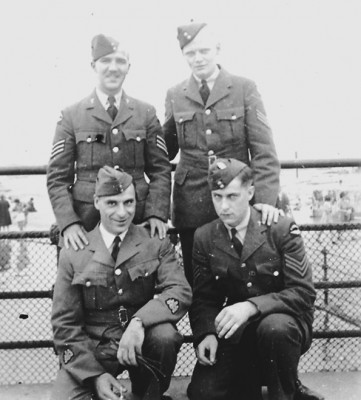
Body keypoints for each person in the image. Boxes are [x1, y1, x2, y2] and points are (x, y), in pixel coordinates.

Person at [51, 166, 192, 400]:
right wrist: (95, 377)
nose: (122, 213)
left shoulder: (154, 242)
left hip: (141, 342)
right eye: (112, 203)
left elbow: (179, 290)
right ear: (97, 202)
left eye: (129, 203)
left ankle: (149, 394)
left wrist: (139, 323)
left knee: (165, 336)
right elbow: (64, 324)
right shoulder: (74, 251)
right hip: (95, 349)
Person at [188, 158, 321, 400]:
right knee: (202, 393)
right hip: (237, 331)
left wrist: (251, 307)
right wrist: (206, 333)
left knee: (275, 329)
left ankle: (285, 392)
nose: (224, 206)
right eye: (217, 196)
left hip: (283, 326)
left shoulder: (280, 228)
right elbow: (204, 298)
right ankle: (253, 382)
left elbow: (303, 293)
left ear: (250, 192)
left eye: (232, 196)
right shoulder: (204, 237)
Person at [163, 22, 280, 285]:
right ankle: (204, 328)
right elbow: (164, 149)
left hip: (238, 201)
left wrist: (264, 199)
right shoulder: (175, 94)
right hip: (192, 205)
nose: (198, 58)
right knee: (198, 283)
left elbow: (264, 149)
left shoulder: (243, 88)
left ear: (217, 49)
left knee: (244, 277)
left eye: (204, 51)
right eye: (190, 53)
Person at [47, 34, 171, 251]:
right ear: (93, 65)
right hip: (86, 226)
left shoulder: (146, 113)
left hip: (137, 222)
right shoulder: (71, 115)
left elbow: (160, 170)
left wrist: (156, 213)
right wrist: (68, 223)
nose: (113, 68)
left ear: (128, 67)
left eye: (120, 61)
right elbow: (58, 177)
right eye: (106, 61)